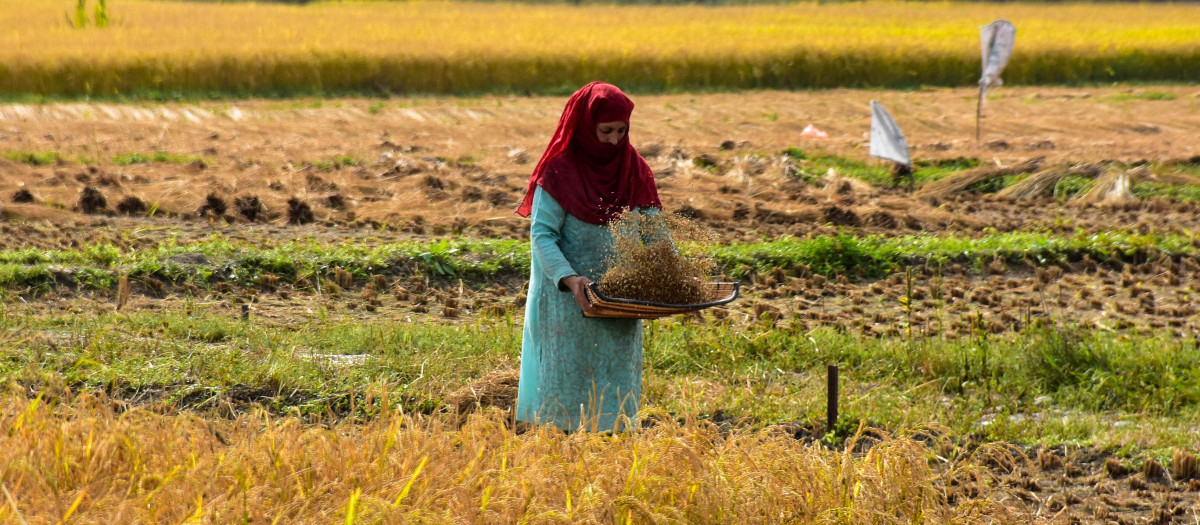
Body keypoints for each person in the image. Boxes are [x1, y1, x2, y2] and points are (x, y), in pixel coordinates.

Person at [514, 81, 662, 432]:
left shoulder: (634, 169)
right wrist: (571, 279)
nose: (614, 140)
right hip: (567, 302)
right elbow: (542, 235)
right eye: (606, 131)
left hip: (619, 300)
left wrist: (671, 270)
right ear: (586, 125)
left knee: (615, 399)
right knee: (564, 400)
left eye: (621, 131)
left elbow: (655, 231)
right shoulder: (559, 172)